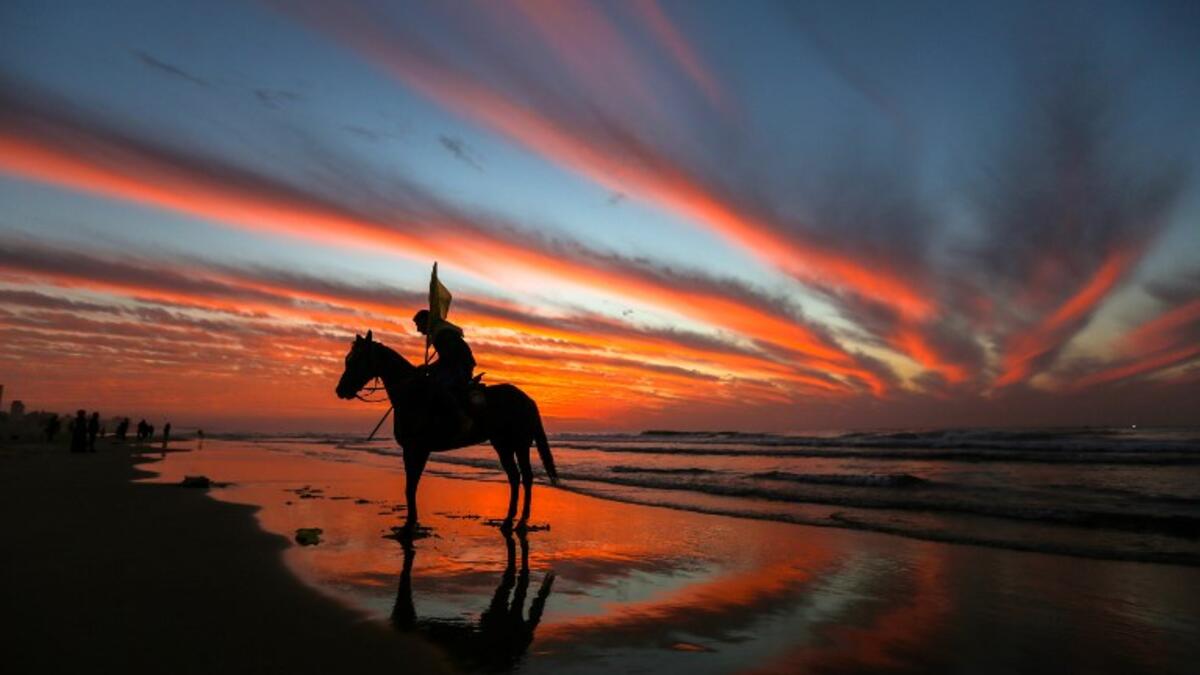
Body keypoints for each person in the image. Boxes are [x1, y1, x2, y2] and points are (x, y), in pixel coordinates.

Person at [413, 308, 476, 437]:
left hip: (459, 368)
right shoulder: (438, 333)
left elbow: (449, 359)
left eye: (418, 325)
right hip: (451, 366)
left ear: (426, 321)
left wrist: (428, 368)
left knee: (439, 387)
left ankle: (463, 417)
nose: (418, 330)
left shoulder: (443, 334)